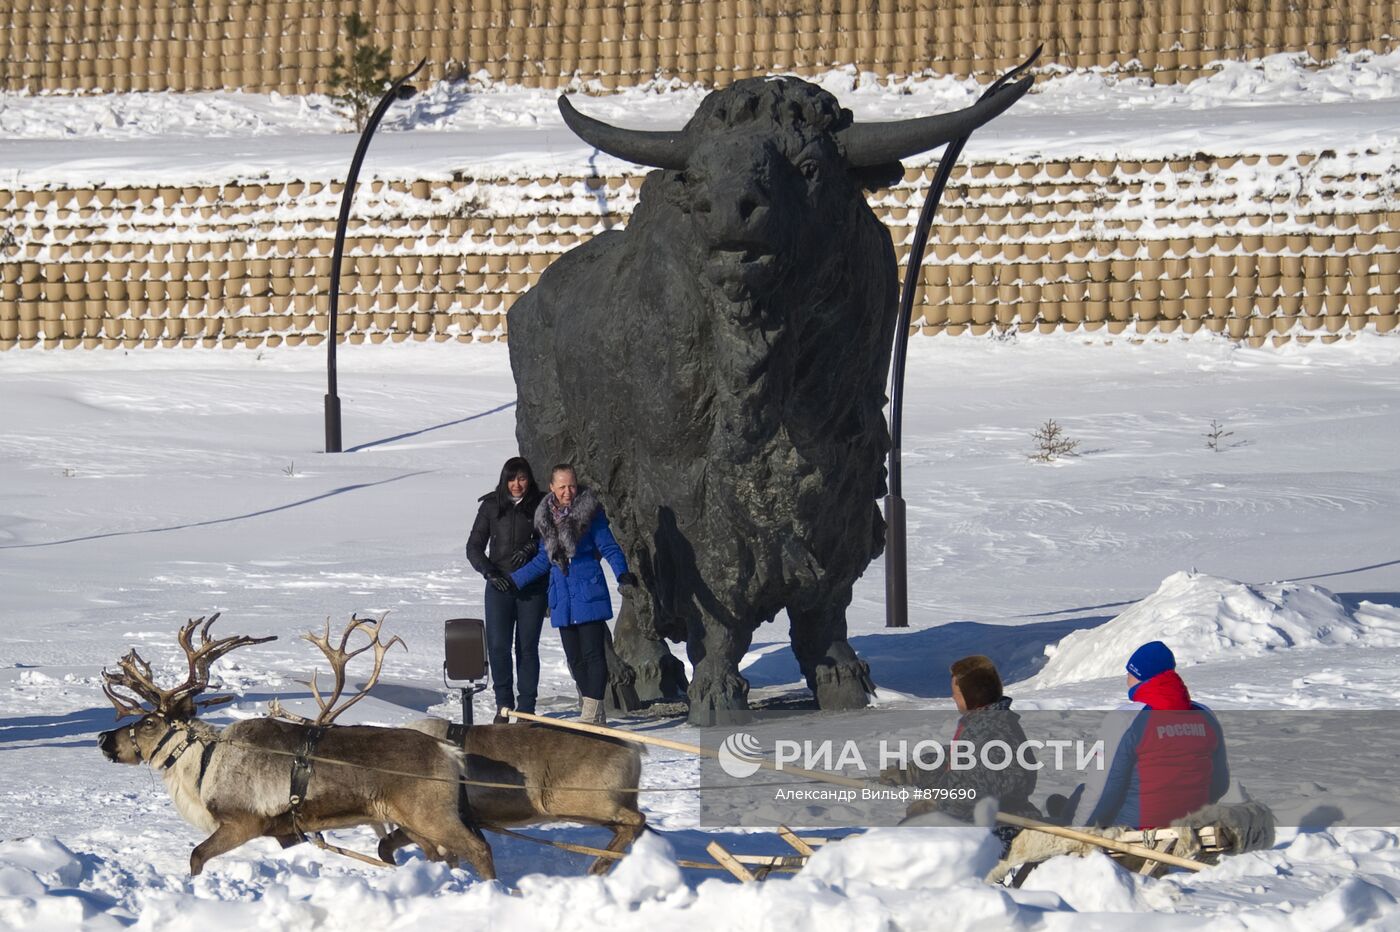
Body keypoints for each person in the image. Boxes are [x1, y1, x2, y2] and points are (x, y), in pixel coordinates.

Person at [509, 463, 637, 725]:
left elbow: (610, 548)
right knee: (574, 659)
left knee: (593, 655)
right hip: (562, 599)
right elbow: (543, 561)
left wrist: (622, 573)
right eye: (563, 486)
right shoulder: (545, 519)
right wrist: (513, 581)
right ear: (552, 487)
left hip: (588, 590)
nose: (568, 491)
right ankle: (593, 709)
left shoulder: (590, 515)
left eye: (572, 486)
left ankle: (591, 711)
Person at [1060, 640, 1229, 829]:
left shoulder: (1127, 719)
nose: (1126, 678)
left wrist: (1078, 832)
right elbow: (1220, 784)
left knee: (1082, 795)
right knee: (1075, 798)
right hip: (1191, 826)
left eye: (1130, 673)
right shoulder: (1204, 714)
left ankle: (1063, 817)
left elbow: (1103, 791)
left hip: (1135, 831)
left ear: (1140, 676)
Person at [889, 655, 1041, 842]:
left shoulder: (993, 734)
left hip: (998, 832)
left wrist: (936, 808)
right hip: (978, 824)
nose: (952, 696)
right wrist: (915, 770)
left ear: (973, 694)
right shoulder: (985, 721)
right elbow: (957, 757)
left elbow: (973, 795)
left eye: (957, 692)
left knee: (905, 837)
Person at [465, 457, 547, 720]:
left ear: (529, 479)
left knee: (527, 647)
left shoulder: (541, 504)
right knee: (498, 647)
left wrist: (533, 545)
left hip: (530, 587)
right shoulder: (491, 506)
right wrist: (488, 571)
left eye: (522, 478)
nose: (517, 484)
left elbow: (551, 539)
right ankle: (504, 705)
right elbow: (473, 547)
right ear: (504, 480)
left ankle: (526, 709)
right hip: (499, 586)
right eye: (512, 479)